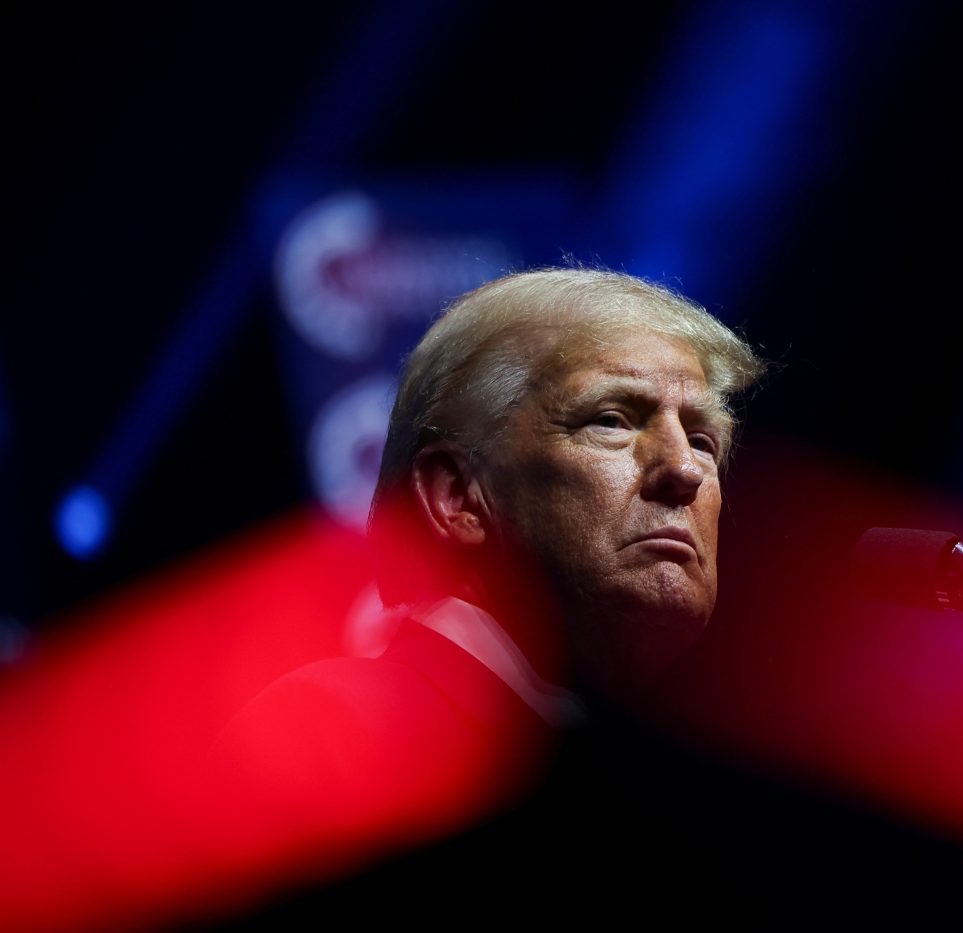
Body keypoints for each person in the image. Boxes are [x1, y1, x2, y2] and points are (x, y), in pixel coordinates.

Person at [193, 266, 766, 923]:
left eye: (703, 438)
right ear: (457, 496)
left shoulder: (684, 794)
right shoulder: (333, 727)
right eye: (612, 418)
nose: (686, 468)